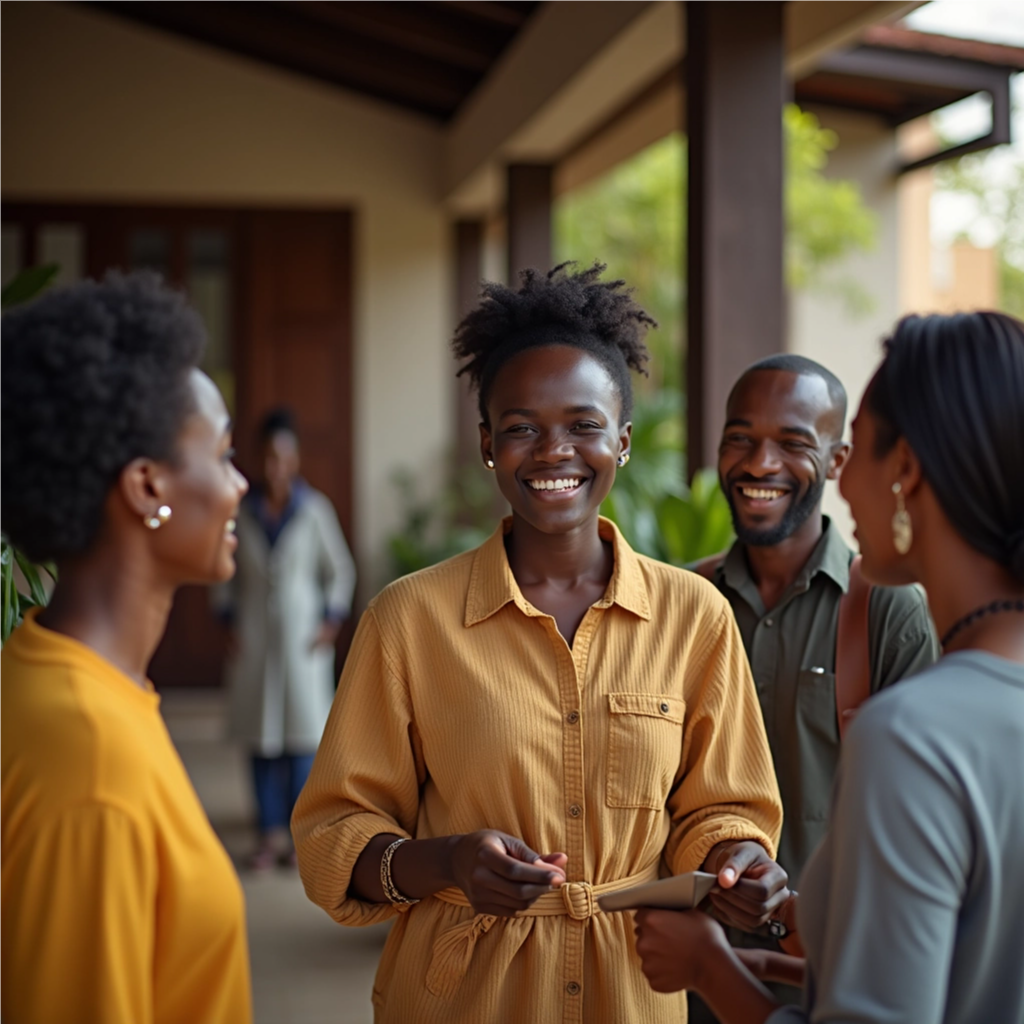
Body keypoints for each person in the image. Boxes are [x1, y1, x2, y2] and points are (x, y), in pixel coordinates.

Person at [292, 263, 786, 1024]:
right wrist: (447, 861)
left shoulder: (695, 616)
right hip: (458, 1000)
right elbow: (334, 835)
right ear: (489, 444)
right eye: (521, 427)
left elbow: (719, 809)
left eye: (583, 426)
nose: (554, 451)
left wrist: (735, 863)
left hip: (634, 995)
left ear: (621, 442)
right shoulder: (409, 619)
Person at [633, 310, 1024, 1023]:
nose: (842, 494)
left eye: (858, 451)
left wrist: (711, 971)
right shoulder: (685, 601)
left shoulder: (913, 734)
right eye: (741, 440)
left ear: (897, 468)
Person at [0, 273, 252, 1024]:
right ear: (147, 487)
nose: (239, 485)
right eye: (223, 453)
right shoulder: (90, 757)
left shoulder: (54, 678)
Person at [687, 355, 938, 1020]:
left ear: (837, 457)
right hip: (680, 982)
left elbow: (916, 824)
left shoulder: (888, 608)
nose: (760, 463)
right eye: (740, 438)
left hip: (829, 984)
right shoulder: (676, 604)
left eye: (793, 443)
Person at [216, 406, 356, 869]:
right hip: (254, 637)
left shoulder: (314, 510)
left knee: (300, 740)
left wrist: (329, 623)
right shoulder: (243, 510)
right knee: (259, 738)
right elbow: (223, 570)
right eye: (269, 457)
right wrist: (228, 621)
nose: (276, 466)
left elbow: (340, 570)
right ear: (260, 458)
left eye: (284, 456)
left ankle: (298, 838)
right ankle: (267, 835)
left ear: (295, 458)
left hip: (303, 642)